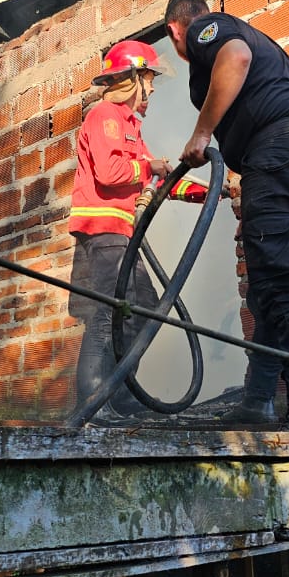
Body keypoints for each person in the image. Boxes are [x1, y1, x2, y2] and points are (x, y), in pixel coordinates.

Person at [163, 0, 289, 432]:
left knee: (281, 278)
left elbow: (237, 57)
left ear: (174, 31)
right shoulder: (265, 44)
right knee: (268, 282)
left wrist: (201, 133)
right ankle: (259, 398)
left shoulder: (209, 30)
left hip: (284, 147)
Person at [68, 39, 209, 426]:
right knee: (108, 312)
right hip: (103, 228)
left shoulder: (130, 127)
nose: (152, 90)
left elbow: (154, 180)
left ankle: (119, 392)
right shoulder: (105, 116)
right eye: (149, 79)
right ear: (133, 78)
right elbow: (112, 174)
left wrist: (210, 191)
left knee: (144, 304)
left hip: (121, 231)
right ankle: (92, 405)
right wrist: (152, 168)